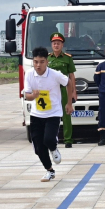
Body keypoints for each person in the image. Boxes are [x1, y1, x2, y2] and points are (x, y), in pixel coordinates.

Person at [23, 46, 68, 181]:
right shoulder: (29, 74)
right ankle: (49, 170)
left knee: (48, 139)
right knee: (38, 147)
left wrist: (69, 103)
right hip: (37, 114)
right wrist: (33, 95)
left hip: (53, 113)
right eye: (36, 62)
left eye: (42, 62)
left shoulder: (55, 74)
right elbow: (27, 95)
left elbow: (68, 82)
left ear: (47, 61)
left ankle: (53, 147)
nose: (38, 65)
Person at [47, 32, 77, 148]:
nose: (56, 45)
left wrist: (74, 91)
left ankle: (68, 140)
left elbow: (72, 76)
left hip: (64, 89)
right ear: (51, 45)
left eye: (58, 43)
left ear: (62, 45)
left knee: (66, 114)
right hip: (51, 90)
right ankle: (53, 138)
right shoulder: (47, 58)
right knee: (51, 115)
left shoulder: (67, 58)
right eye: (54, 43)